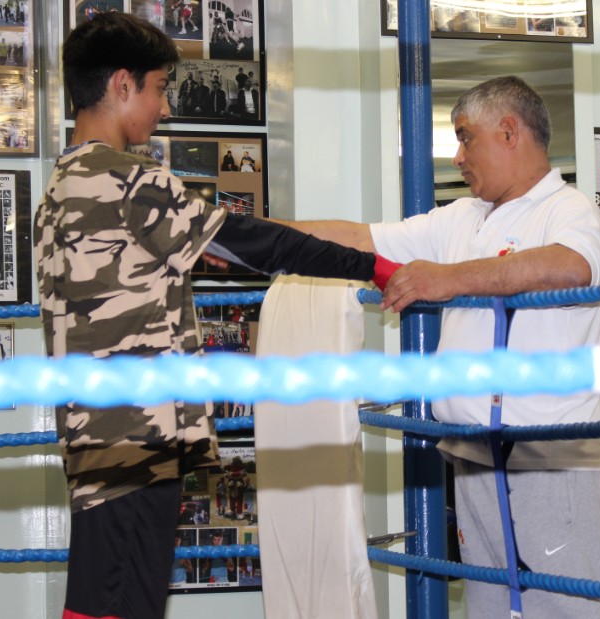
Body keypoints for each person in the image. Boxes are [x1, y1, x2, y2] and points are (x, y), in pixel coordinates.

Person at [36, 13, 402, 619]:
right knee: (120, 605)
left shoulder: (59, 188)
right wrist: (372, 266)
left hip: (96, 440)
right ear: (122, 85)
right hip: (138, 440)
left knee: (100, 598)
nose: (163, 107)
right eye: (157, 88)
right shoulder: (126, 180)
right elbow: (252, 243)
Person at [275, 75, 600, 619]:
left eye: (465, 138)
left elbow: (569, 268)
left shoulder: (569, 209)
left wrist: (450, 278)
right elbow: (361, 238)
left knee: (567, 608)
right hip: (472, 454)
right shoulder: (461, 217)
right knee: (488, 605)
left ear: (509, 132)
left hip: (546, 462)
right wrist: (241, 230)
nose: (458, 156)